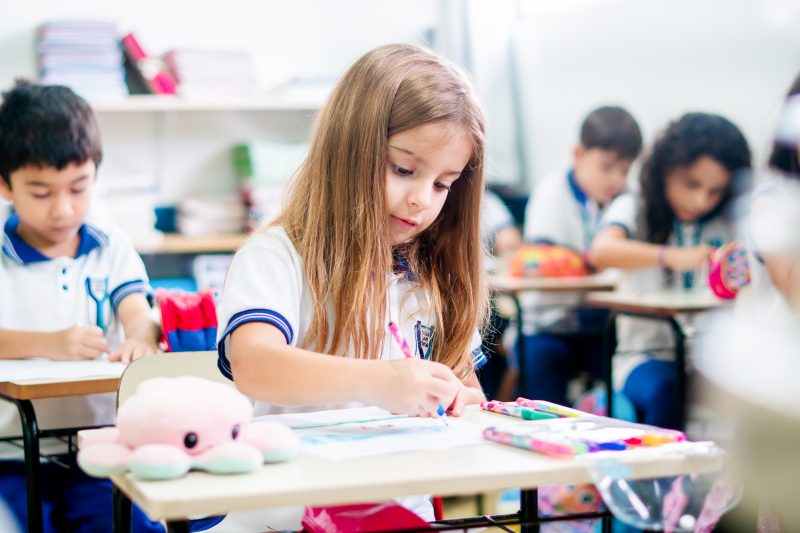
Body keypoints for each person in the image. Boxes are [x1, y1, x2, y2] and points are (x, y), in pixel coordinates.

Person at [216, 44, 489, 524]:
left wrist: (464, 401)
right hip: (286, 513)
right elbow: (254, 366)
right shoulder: (278, 255)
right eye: (403, 169)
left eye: (443, 184)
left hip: (400, 511)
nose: (420, 200)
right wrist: (382, 382)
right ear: (347, 150)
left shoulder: (428, 276)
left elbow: (467, 388)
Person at [0, 81, 168, 531]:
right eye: (41, 193)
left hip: (93, 449)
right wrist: (49, 344)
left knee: (132, 525)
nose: (63, 210)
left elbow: (137, 305)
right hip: (8, 452)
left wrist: (140, 335)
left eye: (79, 188)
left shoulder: (108, 242)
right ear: (4, 185)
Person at [590, 112, 751, 428]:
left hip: (709, 359)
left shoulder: (725, 223)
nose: (701, 200)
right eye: (691, 184)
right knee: (667, 387)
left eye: (715, 191)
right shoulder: (634, 207)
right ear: (665, 170)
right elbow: (601, 251)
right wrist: (671, 256)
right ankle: (665, 477)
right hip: (644, 358)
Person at [519, 106, 642, 405]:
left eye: (624, 170)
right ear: (578, 155)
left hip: (600, 324)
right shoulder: (551, 192)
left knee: (624, 374)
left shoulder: (625, 200)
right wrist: (592, 262)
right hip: (549, 324)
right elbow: (542, 261)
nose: (615, 179)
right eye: (606, 167)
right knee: (542, 362)